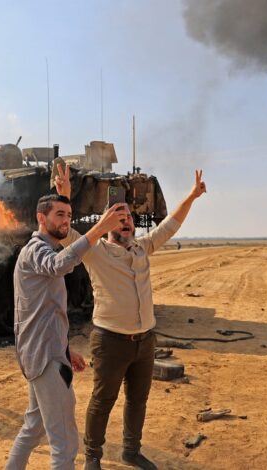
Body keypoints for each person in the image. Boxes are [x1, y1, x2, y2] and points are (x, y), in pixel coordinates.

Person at [55, 165, 207, 470]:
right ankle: (93, 456)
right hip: (111, 342)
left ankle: (131, 451)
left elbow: (171, 224)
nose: (126, 222)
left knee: (138, 401)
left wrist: (191, 196)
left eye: (128, 218)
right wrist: (65, 198)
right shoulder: (95, 252)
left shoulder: (141, 248)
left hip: (145, 341)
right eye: (118, 217)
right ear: (107, 223)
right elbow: (66, 235)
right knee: (102, 401)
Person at [4, 195, 126, 470]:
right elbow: (58, 264)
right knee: (65, 444)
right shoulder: (36, 250)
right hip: (45, 357)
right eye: (59, 214)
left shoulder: (43, 250)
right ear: (41, 218)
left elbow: (42, 313)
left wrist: (64, 349)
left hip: (45, 351)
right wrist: (99, 229)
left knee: (34, 428)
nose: (66, 221)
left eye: (69, 216)